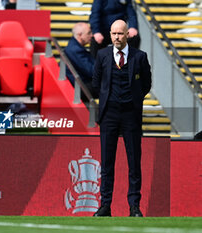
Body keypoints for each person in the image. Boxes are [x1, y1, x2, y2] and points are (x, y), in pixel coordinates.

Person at [92, 20, 151, 217]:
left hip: (130, 115)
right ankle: (105, 205)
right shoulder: (102, 55)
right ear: (110, 34)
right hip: (109, 114)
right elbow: (96, 81)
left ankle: (134, 206)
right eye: (114, 33)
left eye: (120, 33)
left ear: (127, 35)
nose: (117, 37)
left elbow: (146, 84)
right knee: (107, 162)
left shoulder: (140, 57)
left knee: (134, 162)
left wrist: (134, 99)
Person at [64, 22, 97, 100]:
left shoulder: (76, 47)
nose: (91, 35)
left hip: (82, 84)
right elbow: (91, 71)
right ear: (79, 35)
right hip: (80, 87)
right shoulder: (75, 50)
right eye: (88, 33)